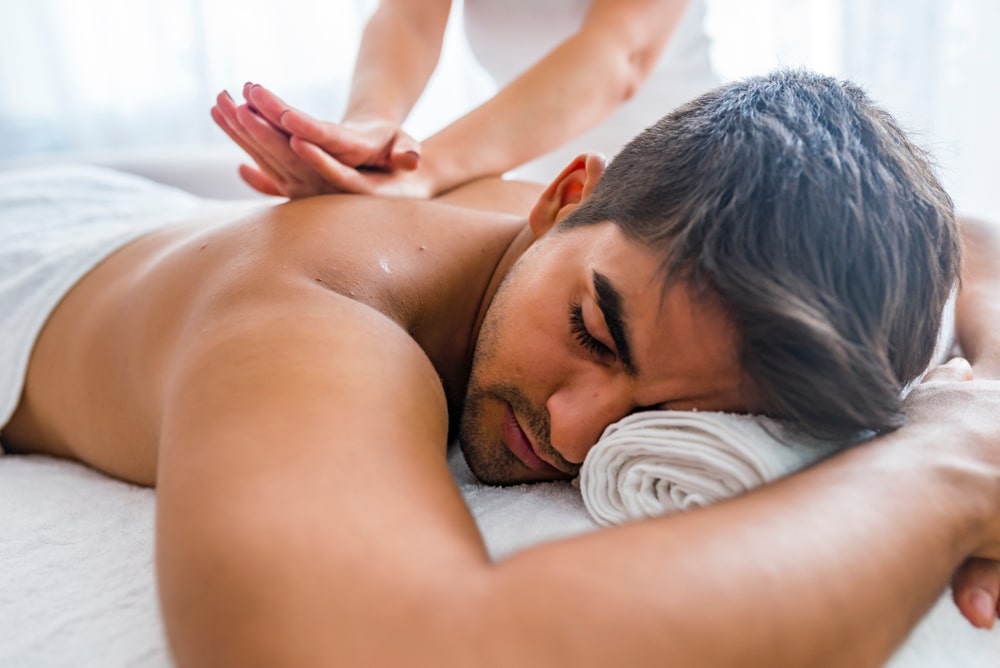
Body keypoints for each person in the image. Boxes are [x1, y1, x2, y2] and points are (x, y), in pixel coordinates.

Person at [3, 70, 1000, 666]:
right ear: (565, 195)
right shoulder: (312, 310)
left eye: (666, 416)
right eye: (592, 333)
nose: (572, 432)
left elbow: (973, 245)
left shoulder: (618, 240)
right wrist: (952, 462)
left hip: (132, 219)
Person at [210, 0, 717, 198]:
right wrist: (370, 127)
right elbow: (409, 19)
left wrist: (423, 169)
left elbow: (616, 57)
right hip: (544, 173)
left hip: (682, 174)